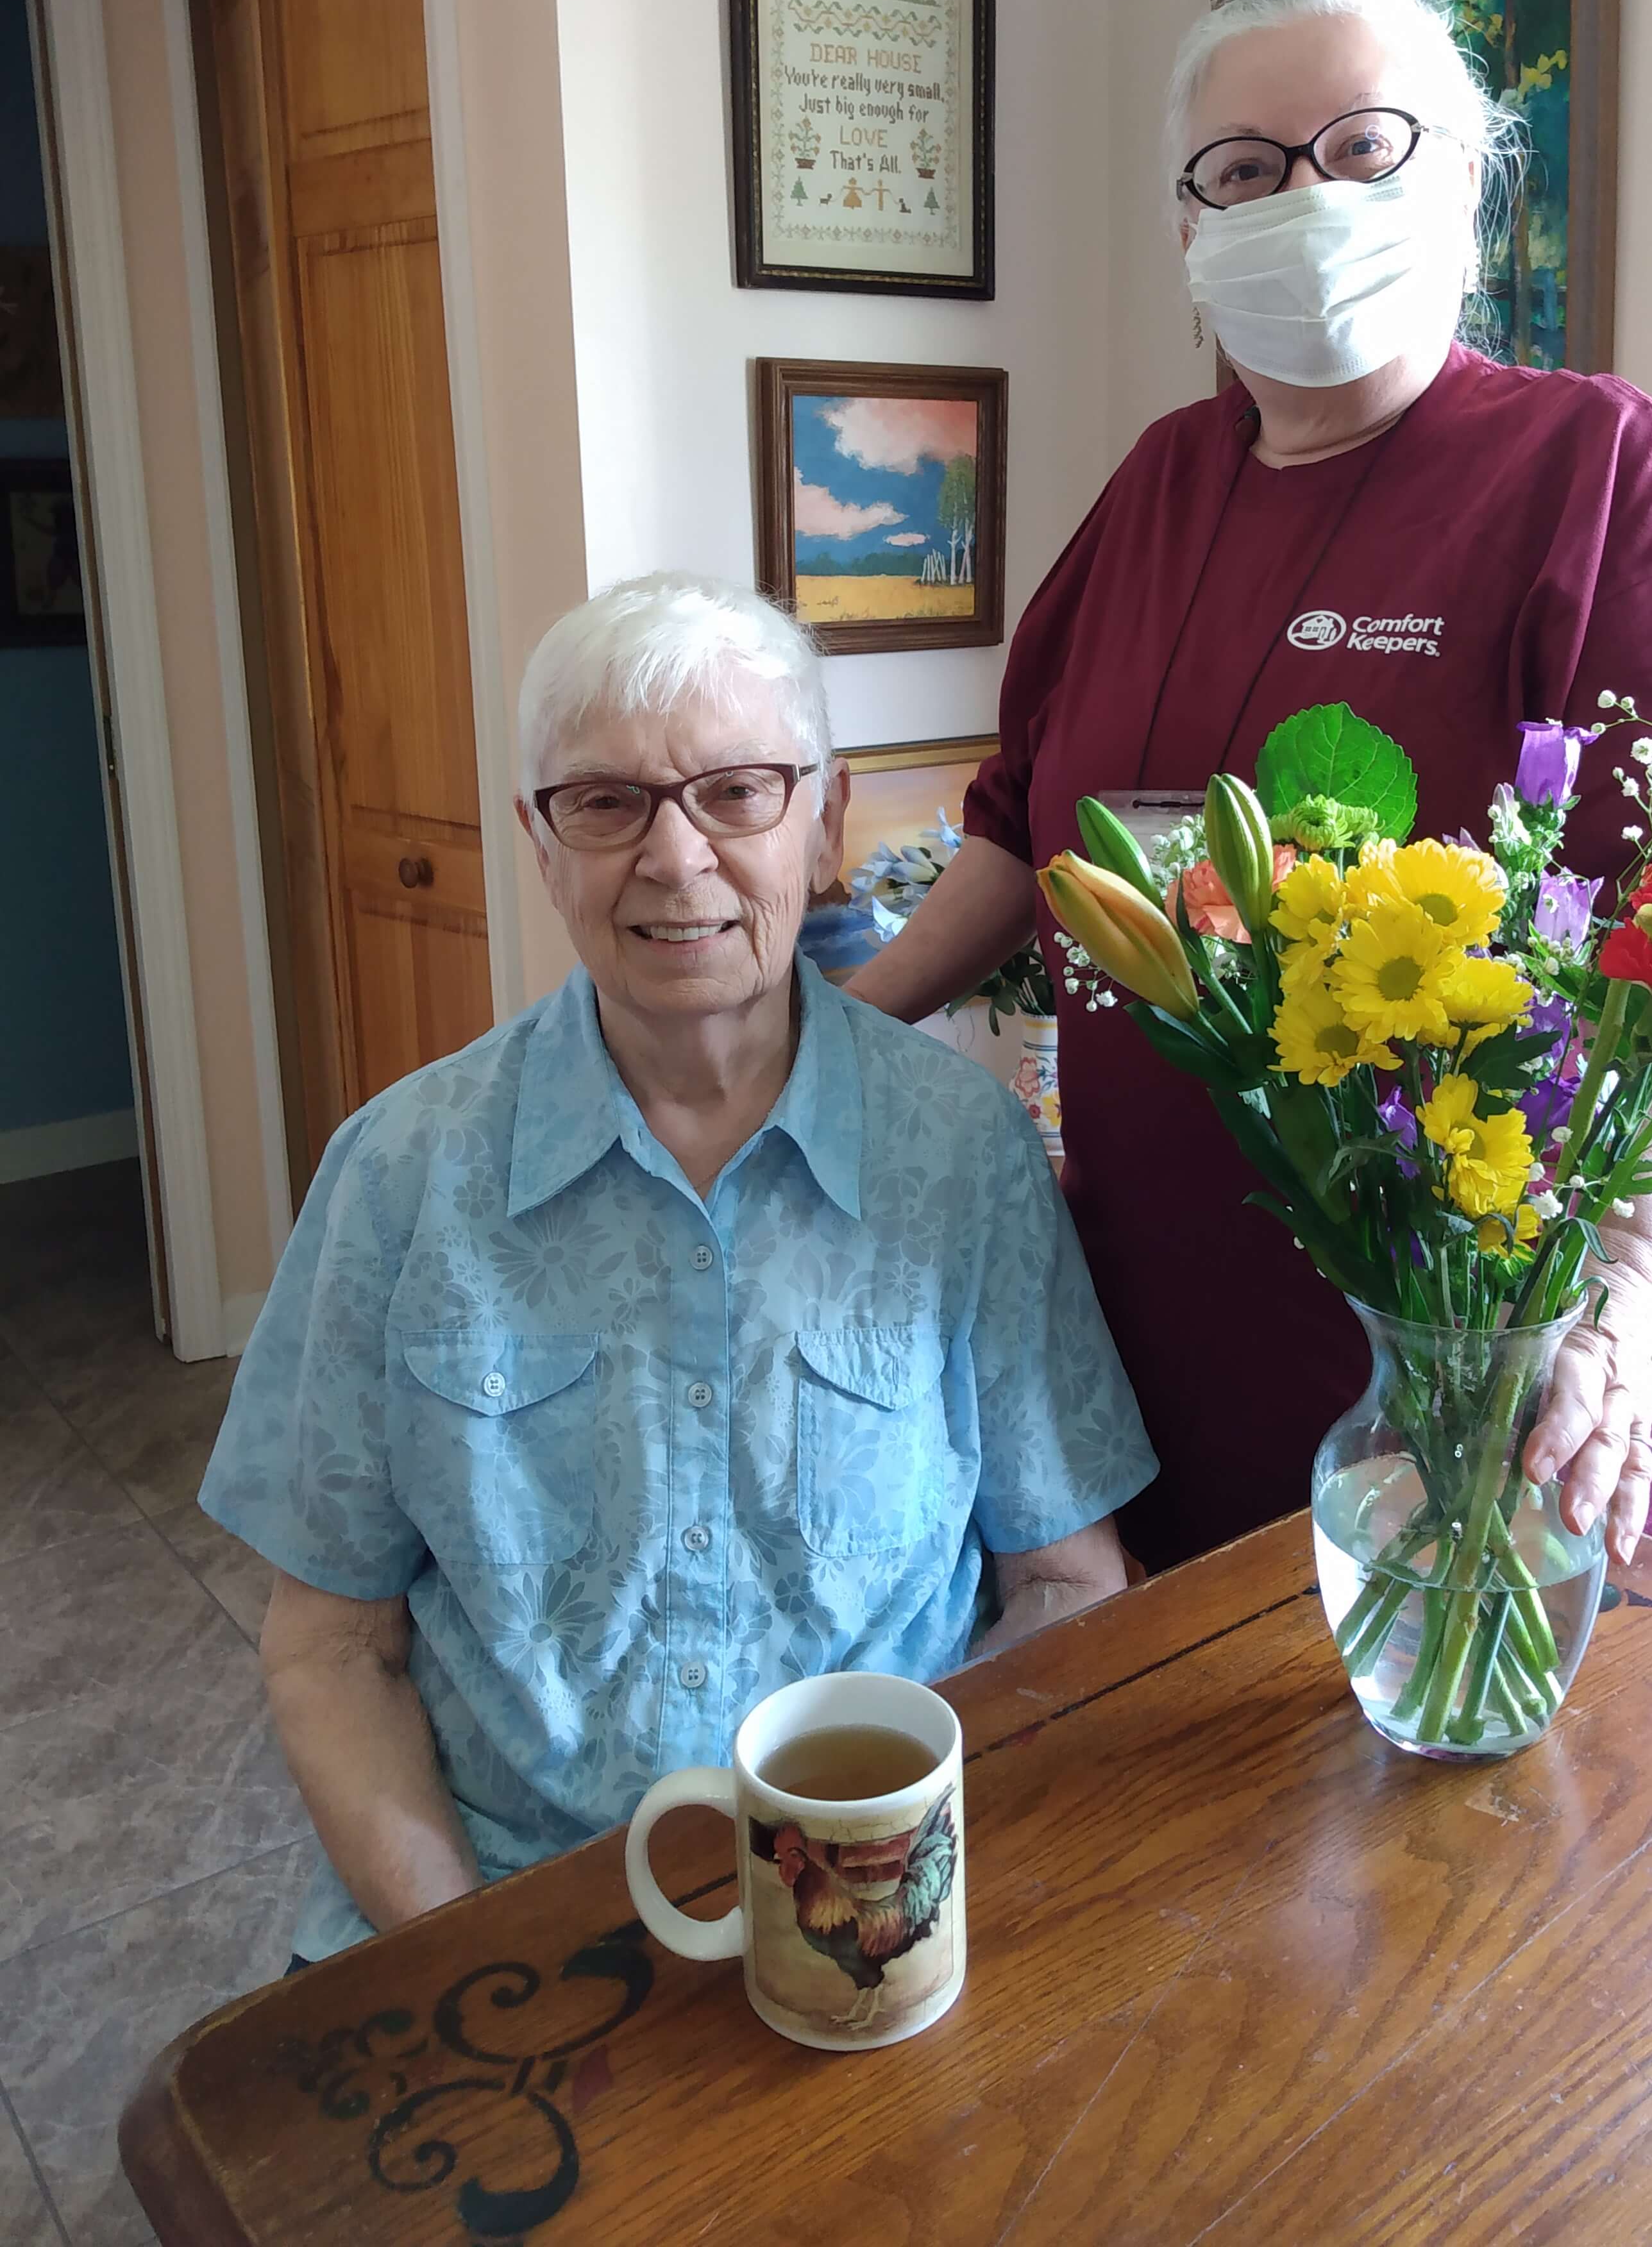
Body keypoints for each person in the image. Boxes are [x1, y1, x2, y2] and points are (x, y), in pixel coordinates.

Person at [850, 0, 1652, 1578]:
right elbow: (1017, 826)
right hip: (1154, 1322)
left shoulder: (1589, 473)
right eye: (1247, 169)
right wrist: (821, 1040)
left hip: (1475, 1357)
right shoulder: (1155, 485)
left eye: (1359, 148)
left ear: (1465, 185)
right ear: (1191, 226)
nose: (1303, 196)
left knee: (1462, 1803)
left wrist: (1614, 1307)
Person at [199, 573, 1156, 1963]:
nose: (675, 856)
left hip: (870, 1905)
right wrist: (470, 1960)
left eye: (736, 793)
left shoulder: (964, 1157)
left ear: (822, 823)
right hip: (507, 1911)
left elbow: (1068, 1586)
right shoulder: (400, 1175)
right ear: (539, 841)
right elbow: (331, 1650)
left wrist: (908, 1862)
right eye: (606, 803)